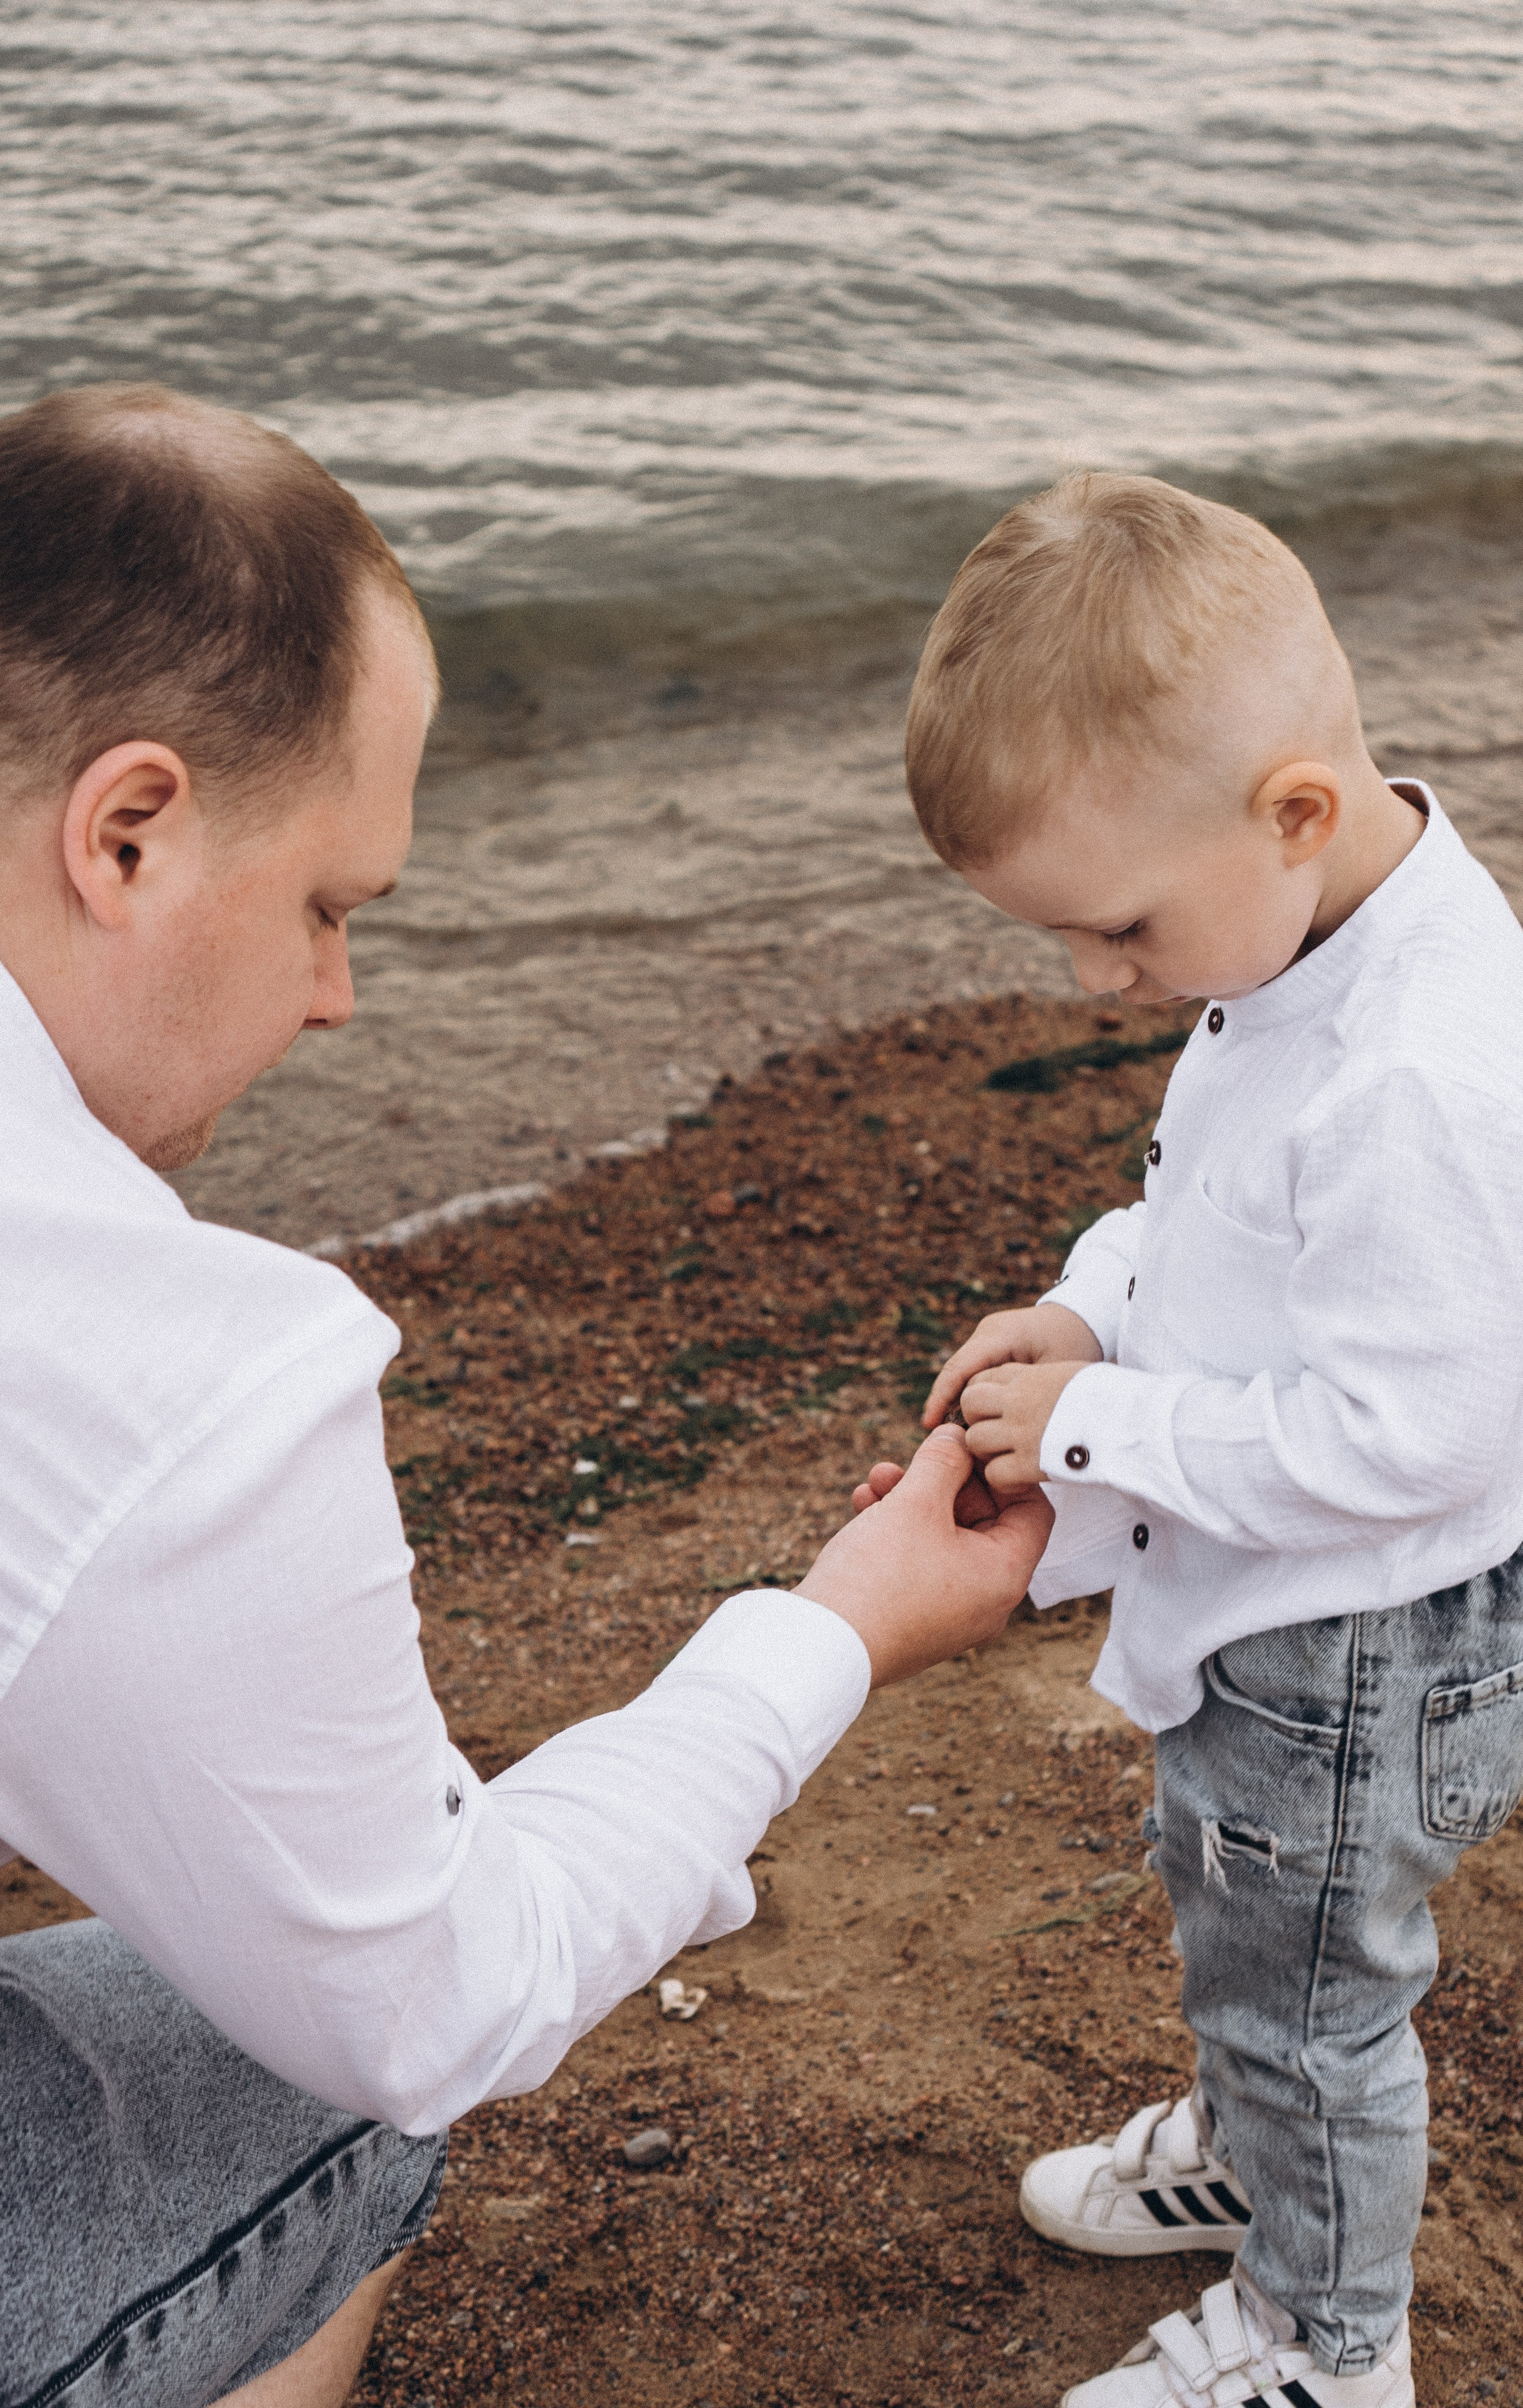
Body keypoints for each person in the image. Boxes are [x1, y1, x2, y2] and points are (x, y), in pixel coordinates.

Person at [0, 384, 1052, 2408]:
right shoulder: (171, 1374)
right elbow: (426, 2004)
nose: (336, 996)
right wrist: (839, 1630)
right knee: (323, 2082)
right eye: (328, 906)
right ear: (129, 832)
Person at [856, 472, 1523, 2408]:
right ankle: (1256, 2142)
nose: (1099, 982)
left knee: (1315, 2005)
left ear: (1288, 812)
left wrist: (1104, 1426)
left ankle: (1325, 2347)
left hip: (1362, 1651)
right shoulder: (1303, 930)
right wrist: (1094, 1313)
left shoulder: (1420, 1069)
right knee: (1262, 1955)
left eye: (1113, 931)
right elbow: (1213, 1209)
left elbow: (1408, 1437)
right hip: (1304, 1627)